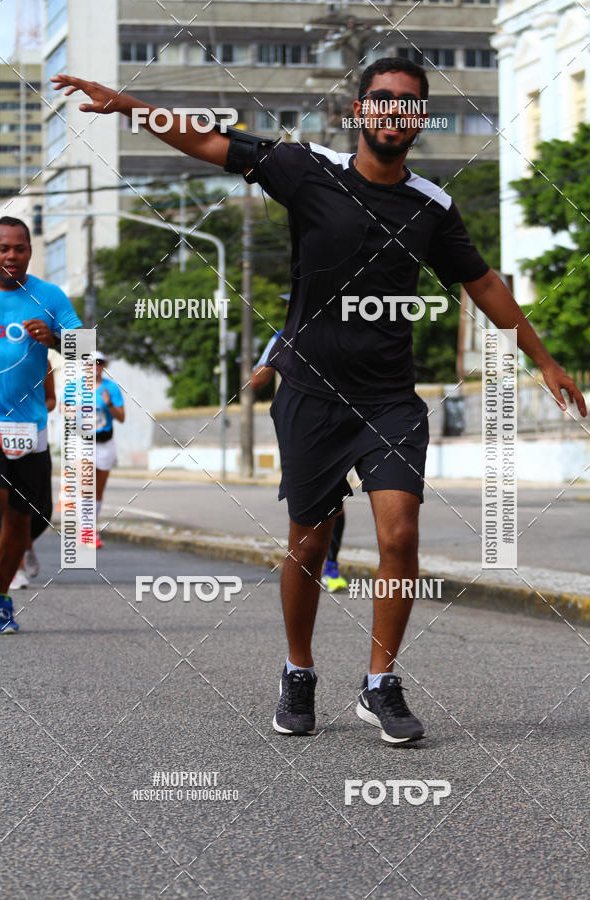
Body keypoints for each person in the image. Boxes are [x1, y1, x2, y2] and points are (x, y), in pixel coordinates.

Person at [52, 59, 586, 743]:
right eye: (382, 99)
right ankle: (297, 669)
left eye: (409, 103)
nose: (394, 111)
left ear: (419, 119)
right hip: (309, 391)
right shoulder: (306, 170)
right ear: (360, 110)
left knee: (400, 534)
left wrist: (544, 360)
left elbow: (482, 285)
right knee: (308, 543)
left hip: (390, 400)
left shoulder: (432, 208)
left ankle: (380, 684)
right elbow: (210, 141)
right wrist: (127, 105)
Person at [0, 216, 82, 633]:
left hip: (28, 426)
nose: (12, 255)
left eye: (20, 248)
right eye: (4, 247)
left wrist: (55, 339)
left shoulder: (49, 295)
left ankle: (1, 596)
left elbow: (87, 349)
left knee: (23, 517)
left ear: (30, 251)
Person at [252, 304, 349, 594]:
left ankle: (331, 567)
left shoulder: (338, 332)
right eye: (287, 305)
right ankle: (305, 565)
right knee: (304, 505)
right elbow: (257, 380)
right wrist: (274, 359)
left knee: (336, 503)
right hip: (299, 428)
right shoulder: (282, 336)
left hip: (337, 422)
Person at [10, 363, 56, 589]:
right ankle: (15, 568)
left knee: (43, 509)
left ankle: (26, 544)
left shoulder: (41, 362)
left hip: (33, 438)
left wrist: (34, 410)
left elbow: (51, 400)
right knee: (9, 504)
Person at [92, 350, 124, 548]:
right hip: (83, 442)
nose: (94, 365)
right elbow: (63, 408)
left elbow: (121, 417)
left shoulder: (111, 388)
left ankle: (91, 528)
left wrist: (109, 403)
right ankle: (85, 530)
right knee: (85, 487)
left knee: (98, 489)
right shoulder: (75, 387)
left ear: (104, 365)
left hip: (104, 442)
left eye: (99, 362)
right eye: (90, 362)